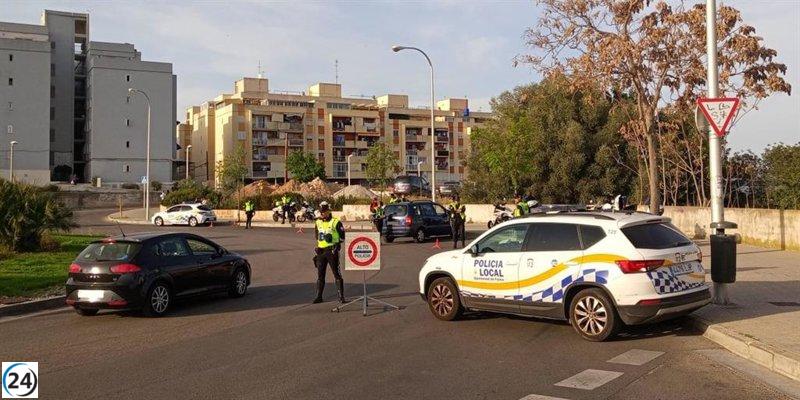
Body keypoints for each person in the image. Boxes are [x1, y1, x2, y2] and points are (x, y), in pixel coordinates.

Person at [312, 202, 346, 304]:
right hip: (321, 252)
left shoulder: (336, 222)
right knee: (320, 275)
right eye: (321, 212)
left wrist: (335, 242)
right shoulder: (318, 222)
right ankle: (319, 296)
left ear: (328, 211)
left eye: (324, 212)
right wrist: (318, 246)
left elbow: (342, 237)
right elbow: (317, 235)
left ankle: (341, 296)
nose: (322, 214)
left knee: (337, 274)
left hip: (332, 251)